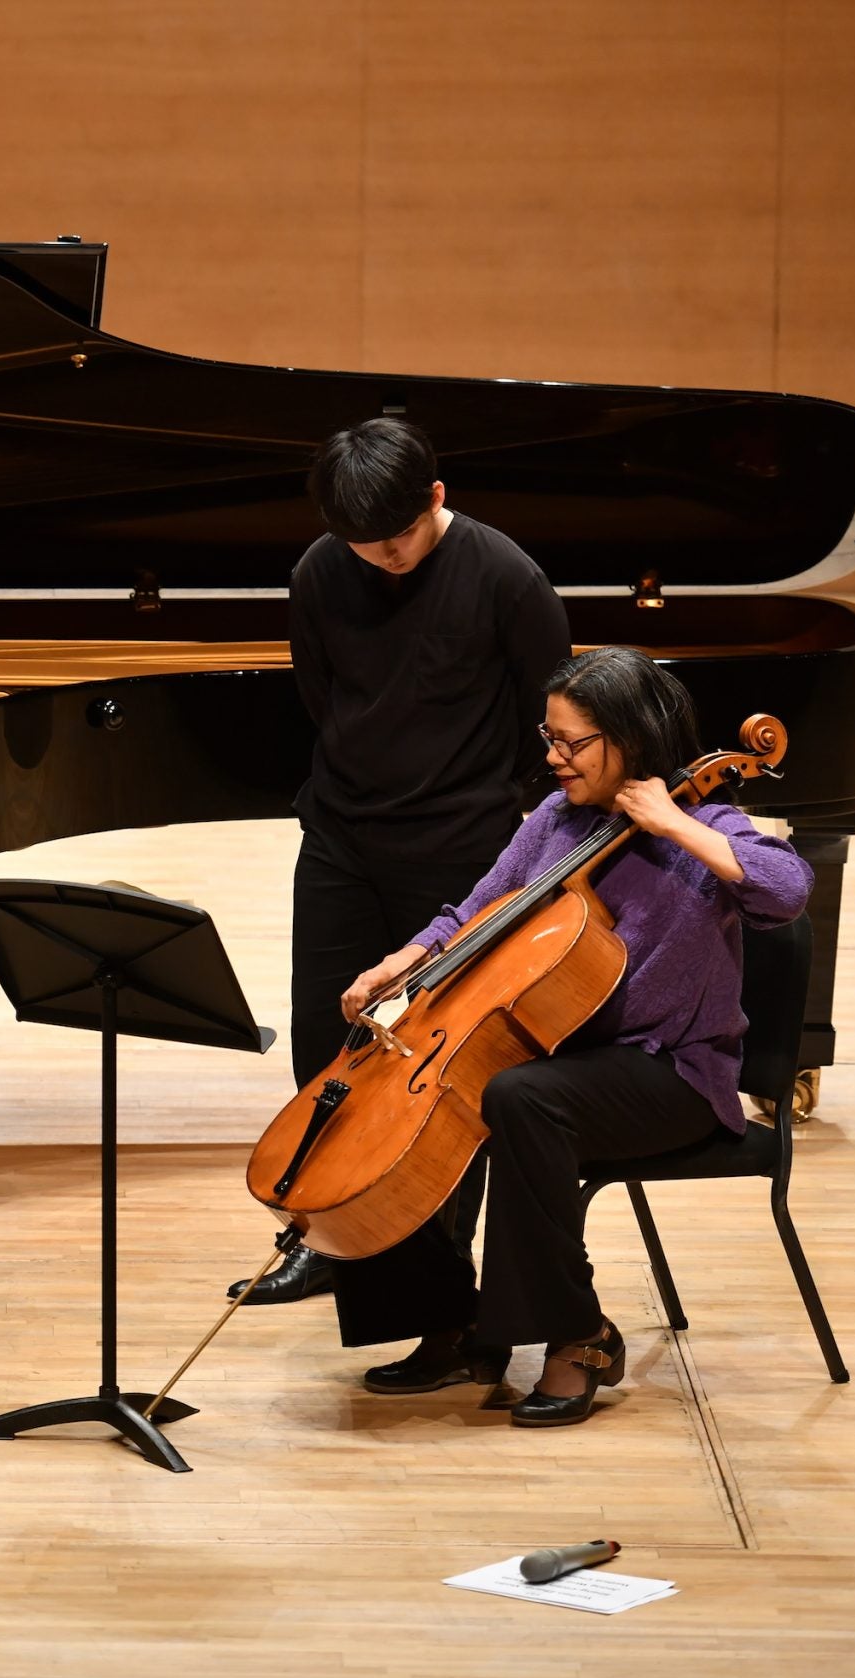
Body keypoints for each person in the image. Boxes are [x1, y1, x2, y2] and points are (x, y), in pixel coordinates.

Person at [327, 648, 808, 1426]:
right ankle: (456, 1323)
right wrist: (400, 963)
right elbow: (473, 914)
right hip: (567, 1061)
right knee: (422, 1097)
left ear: (631, 737)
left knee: (519, 1099)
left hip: (675, 1075)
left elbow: (785, 892)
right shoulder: (555, 821)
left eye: (571, 742)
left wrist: (674, 823)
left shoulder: (708, 820)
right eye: (548, 737)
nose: (551, 758)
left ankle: (575, 1336)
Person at [236, 417, 571, 1306]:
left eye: (399, 538)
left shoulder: (507, 577)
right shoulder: (318, 572)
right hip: (344, 839)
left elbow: (552, 723)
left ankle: (437, 1278)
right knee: (326, 1045)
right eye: (362, 544)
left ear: (437, 496)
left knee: (444, 1063)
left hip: (463, 851)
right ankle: (323, 1237)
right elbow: (323, 698)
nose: (384, 557)